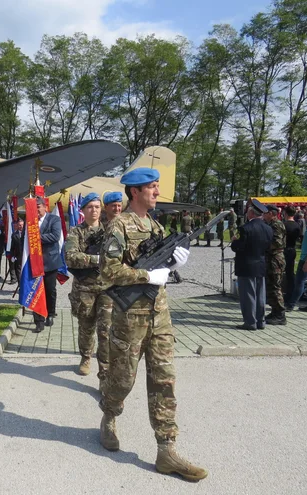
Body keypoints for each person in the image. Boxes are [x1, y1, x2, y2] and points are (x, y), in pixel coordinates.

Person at [97, 167, 205, 481]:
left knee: (164, 379)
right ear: (135, 192)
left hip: (160, 314)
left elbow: (161, 264)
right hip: (130, 318)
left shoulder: (155, 224)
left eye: (157, 186)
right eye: (152, 187)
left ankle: (166, 450)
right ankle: (109, 415)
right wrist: (146, 275)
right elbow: (107, 272)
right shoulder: (119, 224)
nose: (157, 192)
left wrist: (173, 264)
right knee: (122, 379)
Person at [65, 193, 112, 387]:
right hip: (84, 289)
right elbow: (70, 257)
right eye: (90, 207)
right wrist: (96, 259)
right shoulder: (75, 232)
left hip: (107, 289)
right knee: (86, 328)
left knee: (106, 331)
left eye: (97, 207)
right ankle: (85, 357)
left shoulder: (110, 231)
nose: (94, 210)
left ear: (101, 210)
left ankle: (105, 370)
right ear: (83, 211)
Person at [230, 200, 273, 330]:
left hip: (246, 265)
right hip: (260, 263)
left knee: (248, 294)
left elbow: (239, 247)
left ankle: (250, 322)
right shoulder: (268, 228)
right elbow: (268, 247)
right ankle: (261, 321)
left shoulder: (245, 229)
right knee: (260, 295)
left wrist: (234, 242)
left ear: (251, 213)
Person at [32, 197, 62, 333]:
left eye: (38, 207)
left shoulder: (54, 220)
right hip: (34, 262)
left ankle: (50, 313)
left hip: (50, 261)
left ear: (45, 207)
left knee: (50, 290)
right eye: (34, 207)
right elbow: (24, 240)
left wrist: (36, 237)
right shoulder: (30, 222)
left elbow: (55, 236)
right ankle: (38, 321)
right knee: (36, 291)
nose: (36, 210)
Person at [263, 205, 287, 325]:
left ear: (272, 213)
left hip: (275, 259)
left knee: (275, 287)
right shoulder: (270, 224)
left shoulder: (276, 225)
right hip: (271, 258)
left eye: (265, 213)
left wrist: (262, 246)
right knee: (270, 286)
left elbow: (277, 243)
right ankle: (274, 311)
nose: (263, 214)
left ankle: (280, 314)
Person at [282, 206, 301, 300]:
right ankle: (290, 293)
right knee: (290, 273)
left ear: (285, 213)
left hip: (283, 249)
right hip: (292, 249)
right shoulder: (297, 225)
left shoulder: (283, 224)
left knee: (278, 272)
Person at [10, 218, 24, 284]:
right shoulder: (14, 235)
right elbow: (12, 247)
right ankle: (20, 285)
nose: (21, 226)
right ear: (17, 226)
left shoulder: (27, 233)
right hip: (18, 256)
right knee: (18, 270)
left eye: (22, 225)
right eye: (19, 225)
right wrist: (12, 256)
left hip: (26, 255)